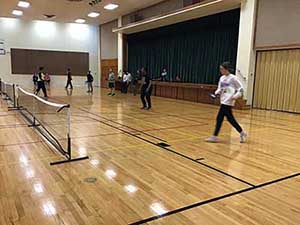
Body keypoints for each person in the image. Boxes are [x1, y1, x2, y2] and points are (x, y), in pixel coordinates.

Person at [206, 62, 247, 143]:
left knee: (219, 118)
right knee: (230, 119)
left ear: (227, 69)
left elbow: (241, 89)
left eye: (222, 69)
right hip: (223, 100)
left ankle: (214, 136)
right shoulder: (221, 78)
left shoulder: (233, 78)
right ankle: (242, 133)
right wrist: (217, 92)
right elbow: (220, 88)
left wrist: (235, 96)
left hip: (228, 101)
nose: (221, 70)